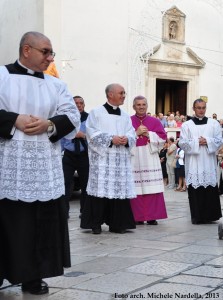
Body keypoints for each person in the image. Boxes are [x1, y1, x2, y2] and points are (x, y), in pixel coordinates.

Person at [0, 31, 80, 295]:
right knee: (8, 222)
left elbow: (72, 115)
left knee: (41, 224)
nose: (50, 57)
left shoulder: (56, 84)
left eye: (51, 52)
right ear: (26, 50)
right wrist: (13, 120)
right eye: (45, 52)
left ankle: (34, 276)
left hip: (45, 167)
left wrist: (49, 124)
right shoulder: (1, 76)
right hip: (9, 165)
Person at [80, 83, 136, 234]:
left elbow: (132, 133)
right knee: (99, 190)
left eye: (124, 93)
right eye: (121, 93)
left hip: (120, 161)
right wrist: (111, 139)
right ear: (110, 94)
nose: (124, 96)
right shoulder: (96, 113)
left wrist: (127, 139)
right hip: (102, 161)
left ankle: (117, 224)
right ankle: (95, 224)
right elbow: (91, 133)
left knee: (118, 190)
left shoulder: (125, 115)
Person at [179, 99, 222, 224]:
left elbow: (219, 140)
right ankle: (197, 217)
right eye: (198, 108)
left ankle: (211, 216)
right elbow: (182, 143)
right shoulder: (187, 125)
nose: (201, 110)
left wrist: (207, 141)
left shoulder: (214, 124)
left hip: (209, 162)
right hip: (194, 163)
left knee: (210, 188)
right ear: (194, 109)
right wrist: (197, 142)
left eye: (203, 107)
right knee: (195, 189)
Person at [130, 96, 167, 225]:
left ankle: (152, 216)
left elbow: (163, 139)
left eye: (143, 104)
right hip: (134, 157)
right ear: (134, 106)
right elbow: (124, 138)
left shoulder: (155, 121)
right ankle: (137, 217)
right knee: (136, 187)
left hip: (150, 156)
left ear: (147, 106)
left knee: (152, 187)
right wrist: (136, 133)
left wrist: (148, 134)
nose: (141, 107)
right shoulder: (128, 121)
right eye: (138, 105)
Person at [61, 96, 89, 218]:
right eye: (75, 103)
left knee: (86, 184)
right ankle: (64, 212)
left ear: (84, 104)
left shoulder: (90, 119)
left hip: (84, 155)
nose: (78, 105)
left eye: (80, 103)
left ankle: (85, 212)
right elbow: (61, 138)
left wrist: (83, 136)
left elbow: (95, 137)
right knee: (65, 183)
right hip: (69, 155)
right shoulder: (66, 119)